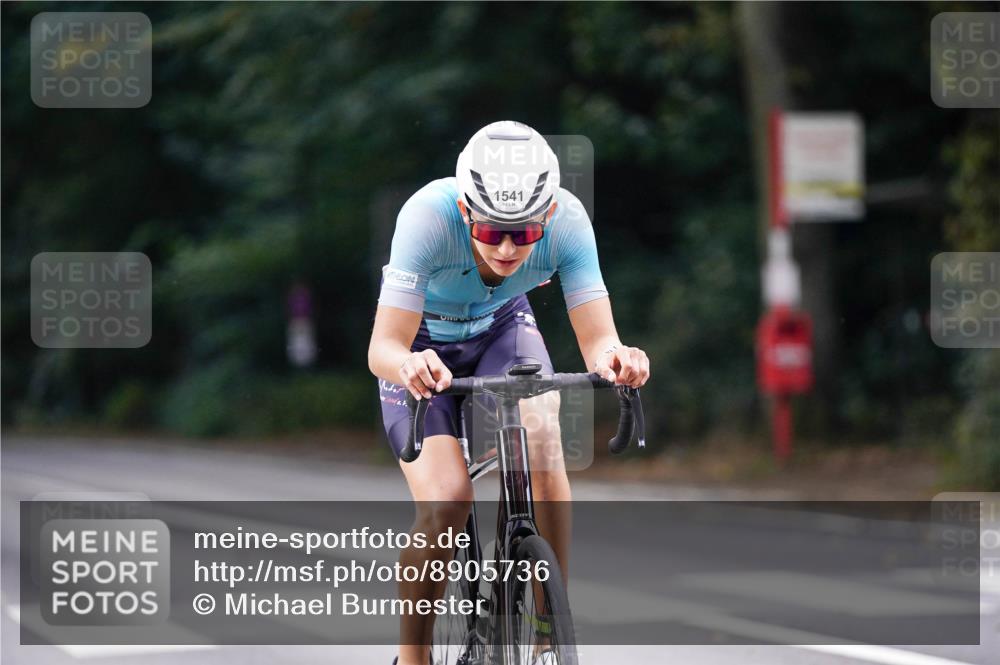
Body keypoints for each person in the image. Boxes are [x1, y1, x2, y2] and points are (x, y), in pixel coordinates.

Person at [367, 120, 650, 665]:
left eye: (523, 234)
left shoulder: (569, 222)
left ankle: (548, 628)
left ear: (546, 216)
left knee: (545, 440)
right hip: (420, 346)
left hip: (501, 329)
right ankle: (413, 656)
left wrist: (617, 359)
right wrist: (408, 364)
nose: (505, 248)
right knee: (447, 500)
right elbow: (383, 347)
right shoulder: (426, 218)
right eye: (490, 230)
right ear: (465, 212)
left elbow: (600, 341)